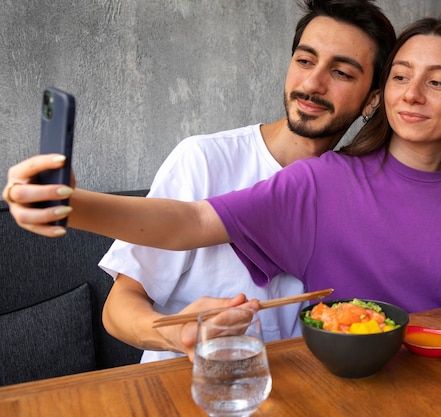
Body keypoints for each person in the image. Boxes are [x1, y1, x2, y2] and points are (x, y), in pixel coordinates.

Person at [6, 17, 441, 322]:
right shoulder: (326, 181)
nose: (411, 93)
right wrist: (71, 204)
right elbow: (190, 222)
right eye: (402, 76)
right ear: (383, 95)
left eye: (437, 82)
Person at [87, 0, 398, 363]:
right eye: (304, 60)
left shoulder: (360, 192)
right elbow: (118, 308)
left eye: (342, 72)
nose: (313, 83)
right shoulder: (203, 160)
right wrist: (178, 334)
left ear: (372, 100)